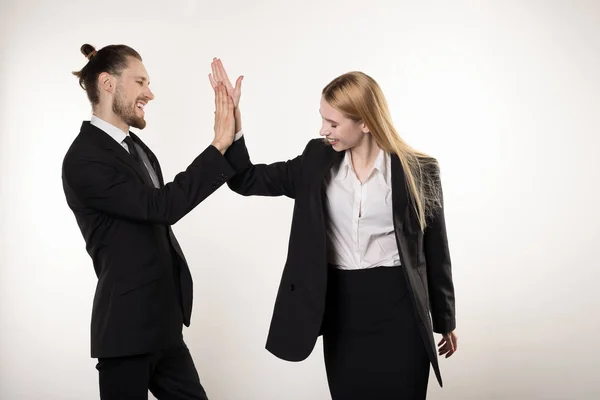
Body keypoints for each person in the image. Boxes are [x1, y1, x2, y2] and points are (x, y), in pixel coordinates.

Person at [210, 59, 458, 399]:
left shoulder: (419, 170)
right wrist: (233, 125)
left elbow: (435, 248)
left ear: (366, 123)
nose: (323, 130)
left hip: (400, 310)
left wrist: (444, 320)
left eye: (332, 122)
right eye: (323, 119)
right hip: (342, 309)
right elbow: (246, 179)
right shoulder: (316, 159)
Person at [62, 44, 238, 400]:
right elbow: (161, 207)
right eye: (140, 81)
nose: (150, 93)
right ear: (108, 83)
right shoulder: (84, 159)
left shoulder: (137, 148)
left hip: (163, 326)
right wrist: (218, 145)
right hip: (125, 332)